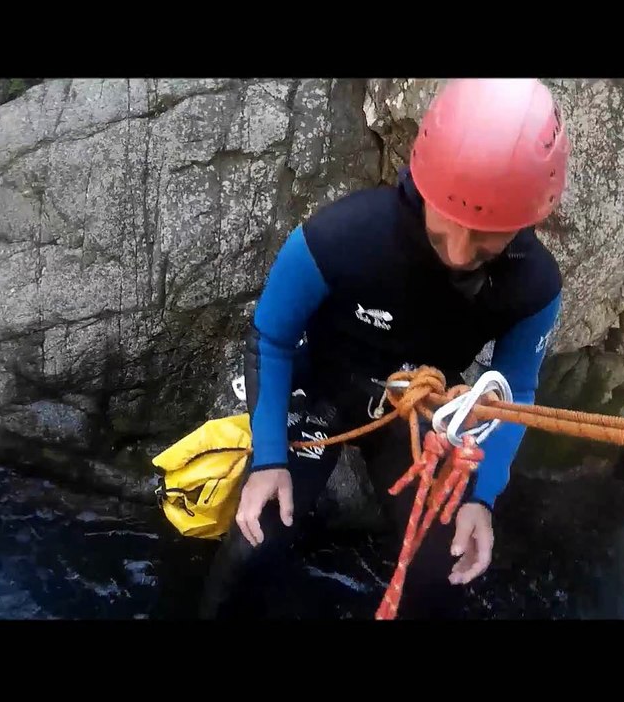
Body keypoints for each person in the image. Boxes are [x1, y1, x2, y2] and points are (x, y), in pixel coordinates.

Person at [199, 77, 570, 619]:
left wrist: (482, 499)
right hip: (319, 386)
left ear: (529, 218)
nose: (461, 255)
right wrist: (269, 458)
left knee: (444, 571)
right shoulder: (342, 237)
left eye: (486, 235)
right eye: (450, 224)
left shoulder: (533, 287)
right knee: (254, 546)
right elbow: (272, 337)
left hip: (409, 408)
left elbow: (513, 392)